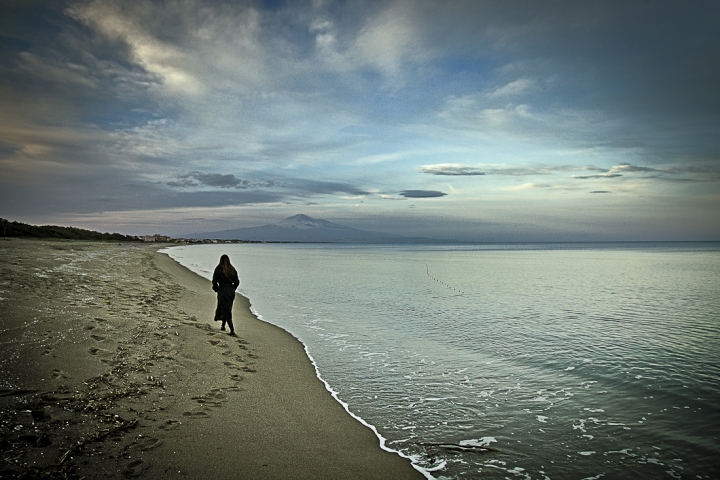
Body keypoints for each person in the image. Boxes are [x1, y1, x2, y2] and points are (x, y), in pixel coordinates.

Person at [212, 254, 240, 335]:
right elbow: (237, 282)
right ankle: (223, 326)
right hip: (231, 291)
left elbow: (214, 282)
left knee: (225, 309)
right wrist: (233, 289)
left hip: (222, 290)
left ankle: (232, 330)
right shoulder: (232, 269)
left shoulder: (218, 269)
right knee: (228, 308)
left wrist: (217, 289)